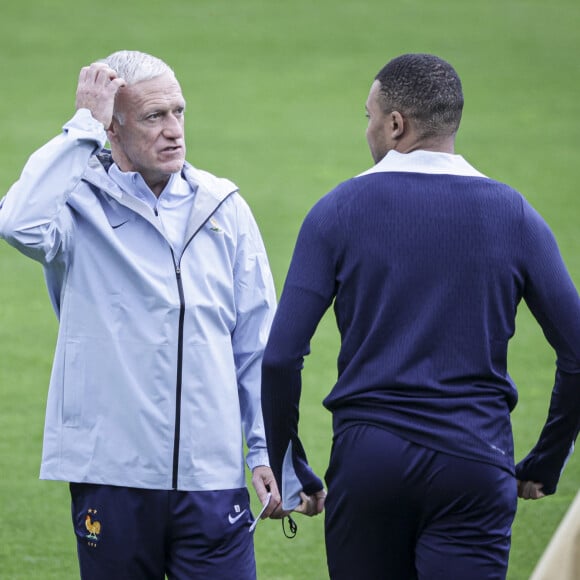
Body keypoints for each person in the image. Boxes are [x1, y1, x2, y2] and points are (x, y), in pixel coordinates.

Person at [261, 53, 580, 579]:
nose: (366, 129)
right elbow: (576, 353)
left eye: (368, 116)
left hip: (369, 463)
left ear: (395, 124)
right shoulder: (514, 214)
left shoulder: (337, 210)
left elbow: (280, 358)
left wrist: (289, 463)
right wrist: (545, 460)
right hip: (476, 462)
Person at [0, 50, 281, 580]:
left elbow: (256, 344)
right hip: (112, 474)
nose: (174, 130)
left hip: (212, 477)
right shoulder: (75, 207)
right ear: (113, 128)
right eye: (154, 116)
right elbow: (17, 222)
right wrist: (82, 122)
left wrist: (266, 451)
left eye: (178, 112)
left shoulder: (223, 206)